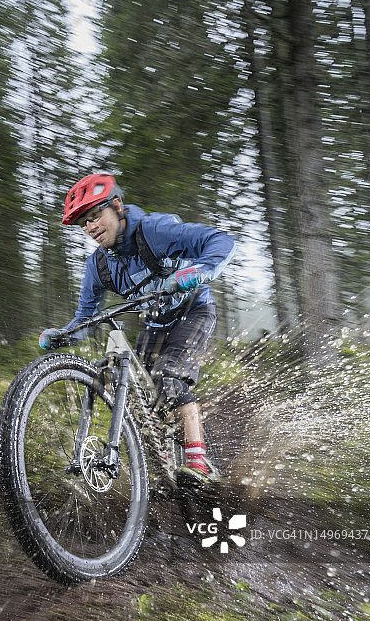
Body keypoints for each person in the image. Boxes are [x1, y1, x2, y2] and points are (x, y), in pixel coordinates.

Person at [39, 173, 236, 489]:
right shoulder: (98, 266)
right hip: (155, 323)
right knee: (139, 399)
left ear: (116, 206)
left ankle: (199, 462)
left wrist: (197, 271)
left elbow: (221, 240)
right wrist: (64, 334)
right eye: (84, 224)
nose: (90, 227)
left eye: (94, 216)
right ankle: (163, 465)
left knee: (168, 379)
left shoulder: (155, 230)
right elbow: (84, 319)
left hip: (194, 310)